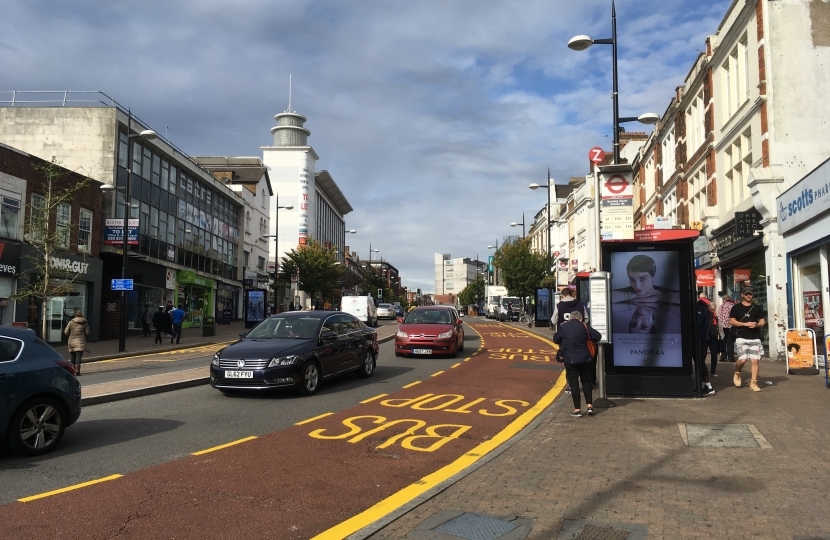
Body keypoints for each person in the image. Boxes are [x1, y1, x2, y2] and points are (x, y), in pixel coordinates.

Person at [554, 310, 601, 417]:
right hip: (585, 358)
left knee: (574, 384)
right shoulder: (585, 326)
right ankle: (589, 406)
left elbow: (556, 339)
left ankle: (577, 409)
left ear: (570, 318)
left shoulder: (564, 327)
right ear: (581, 318)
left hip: (570, 359)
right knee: (586, 381)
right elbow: (597, 336)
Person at [551, 287, 593, 388]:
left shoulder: (559, 306)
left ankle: (571, 384)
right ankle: (587, 382)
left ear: (563, 295)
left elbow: (553, 321)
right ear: (572, 294)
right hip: (580, 336)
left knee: (568, 361)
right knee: (582, 357)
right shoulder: (580, 305)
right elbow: (586, 319)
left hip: (565, 337)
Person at [729, 287, 767, 391]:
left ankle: (753, 383)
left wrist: (757, 324)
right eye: (746, 294)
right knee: (743, 359)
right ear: (742, 295)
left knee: (755, 360)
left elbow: (763, 321)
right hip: (741, 336)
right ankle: (737, 372)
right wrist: (745, 324)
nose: (748, 296)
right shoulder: (736, 308)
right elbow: (732, 321)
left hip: (755, 337)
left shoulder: (757, 308)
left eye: (750, 294)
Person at [613, 254, 680, 306]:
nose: (637, 286)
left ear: (653, 276)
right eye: (632, 279)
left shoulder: (661, 292)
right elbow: (605, 296)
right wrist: (636, 295)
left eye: (642, 279)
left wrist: (659, 297)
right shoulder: (627, 292)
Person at [695, 296, 716, 396]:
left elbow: (697, 323)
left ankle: (708, 385)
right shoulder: (701, 308)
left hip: (701, 339)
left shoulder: (700, 308)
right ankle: (703, 384)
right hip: (701, 338)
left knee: (700, 362)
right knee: (699, 362)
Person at [64, 310, 89, 375]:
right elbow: (87, 332)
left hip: (72, 341)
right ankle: (77, 370)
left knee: (73, 357)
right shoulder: (85, 322)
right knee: (79, 357)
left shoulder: (71, 322)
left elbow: (66, 332)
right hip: (81, 341)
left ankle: (72, 371)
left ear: (75, 315)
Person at [717, 291, 736, 363]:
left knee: (723, 341)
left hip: (723, 326)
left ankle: (723, 357)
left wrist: (722, 322)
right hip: (731, 325)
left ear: (724, 299)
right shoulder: (733, 305)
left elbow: (719, 315)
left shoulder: (722, 306)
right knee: (730, 341)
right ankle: (731, 357)